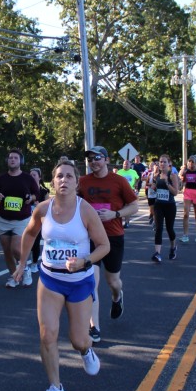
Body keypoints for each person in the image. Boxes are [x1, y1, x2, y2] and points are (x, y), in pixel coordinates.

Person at [14, 158, 109, 391]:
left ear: (77, 183)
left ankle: (86, 350)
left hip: (79, 281)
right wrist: (22, 263)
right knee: (47, 335)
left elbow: (104, 246)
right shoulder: (43, 209)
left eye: (69, 176)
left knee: (78, 339)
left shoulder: (85, 210)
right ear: (53, 182)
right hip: (50, 279)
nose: (64, 180)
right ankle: (55, 388)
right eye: (59, 176)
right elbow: (30, 233)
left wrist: (84, 261)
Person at [78, 146, 140, 344]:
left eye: (97, 158)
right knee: (91, 282)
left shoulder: (119, 181)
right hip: (90, 238)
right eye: (90, 159)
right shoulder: (83, 182)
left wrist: (115, 214)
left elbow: (134, 206)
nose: (93, 162)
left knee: (113, 281)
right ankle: (94, 327)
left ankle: (117, 296)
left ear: (106, 159)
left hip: (113, 236)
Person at [0, 149, 39, 288]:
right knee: (7, 251)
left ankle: (25, 269)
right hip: (3, 219)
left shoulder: (27, 178)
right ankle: (14, 277)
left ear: (20, 161)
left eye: (15, 158)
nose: (12, 160)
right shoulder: (2, 178)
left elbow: (36, 194)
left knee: (15, 248)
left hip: (21, 220)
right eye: (10, 157)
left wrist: (31, 198)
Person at [148, 154, 180, 263]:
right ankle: (157, 253)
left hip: (170, 205)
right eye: (160, 162)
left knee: (169, 228)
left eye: (164, 162)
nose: (162, 164)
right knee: (158, 228)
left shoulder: (172, 175)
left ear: (169, 163)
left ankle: (173, 247)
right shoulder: (156, 175)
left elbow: (175, 192)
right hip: (158, 205)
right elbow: (155, 188)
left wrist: (166, 182)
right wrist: (153, 187)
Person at [27, 167, 50, 273]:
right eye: (30, 175)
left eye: (34, 175)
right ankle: (22, 262)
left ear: (39, 177)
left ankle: (34, 263)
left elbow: (48, 206)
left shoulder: (44, 191)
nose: (31, 177)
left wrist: (39, 205)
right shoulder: (26, 190)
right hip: (25, 219)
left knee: (35, 241)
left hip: (38, 220)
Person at [116, 160, 140, 227]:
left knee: (127, 206)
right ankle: (119, 222)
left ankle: (126, 222)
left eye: (127, 164)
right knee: (119, 206)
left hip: (130, 190)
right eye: (124, 164)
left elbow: (138, 179)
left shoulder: (133, 172)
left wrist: (136, 185)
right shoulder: (119, 172)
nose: (125, 165)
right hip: (120, 191)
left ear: (130, 165)